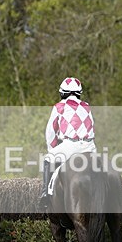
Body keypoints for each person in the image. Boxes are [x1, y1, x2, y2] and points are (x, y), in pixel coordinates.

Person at [39, 77, 96, 206]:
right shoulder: (87, 106)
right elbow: (91, 127)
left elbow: (51, 132)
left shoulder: (59, 107)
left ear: (63, 93)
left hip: (70, 146)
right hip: (90, 147)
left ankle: (45, 194)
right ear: (79, 93)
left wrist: (52, 149)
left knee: (48, 158)